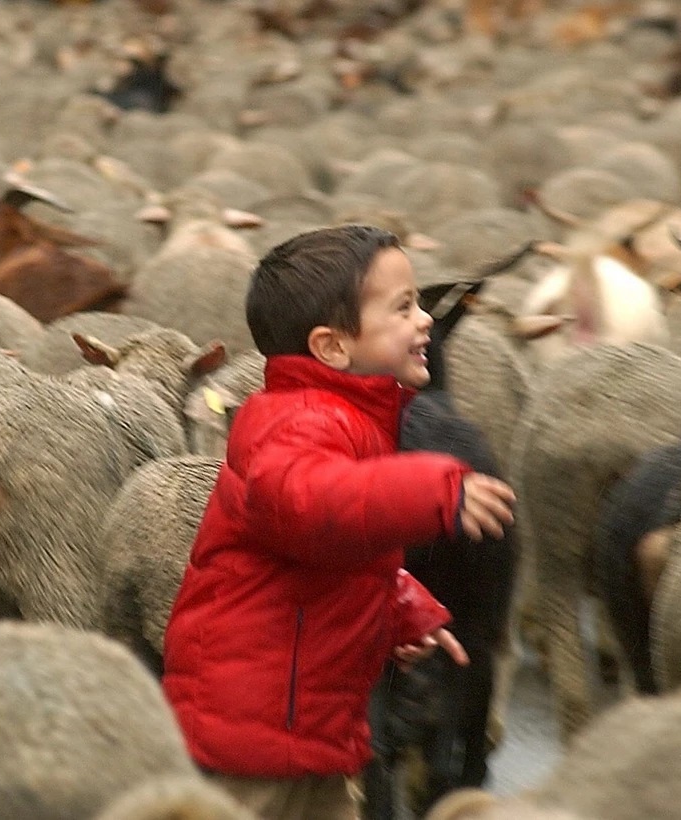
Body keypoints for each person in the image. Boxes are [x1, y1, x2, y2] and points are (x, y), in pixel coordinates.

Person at [162, 224, 517, 820]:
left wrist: (403, 609)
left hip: (310, 728)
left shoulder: (349, 421)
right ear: (331, 347)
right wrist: (433, 486)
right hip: (250, 738)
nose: (425, 319)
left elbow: (335, 551)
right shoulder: (303, 420)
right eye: (403, 307)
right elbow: (309, 504)